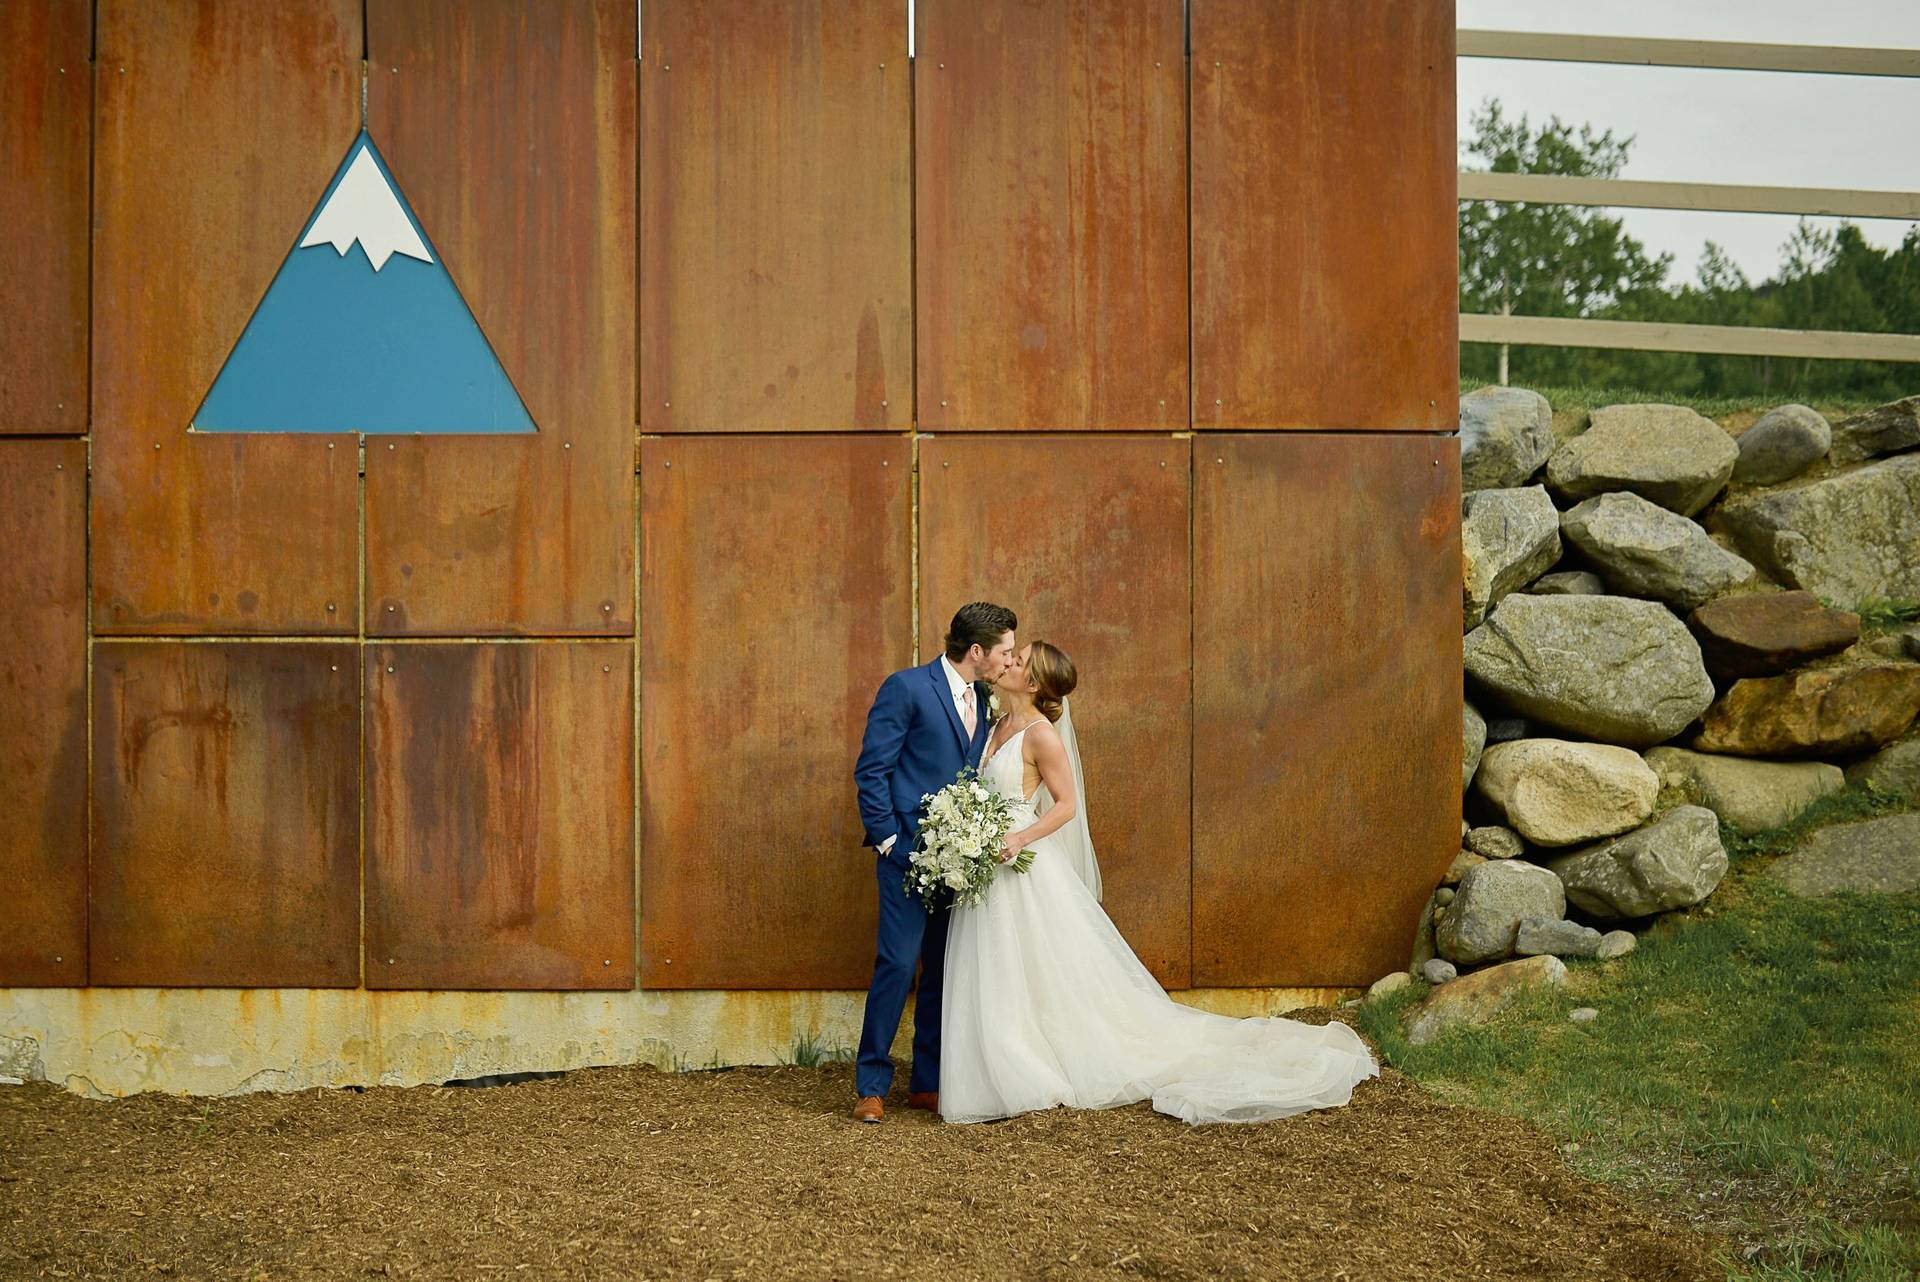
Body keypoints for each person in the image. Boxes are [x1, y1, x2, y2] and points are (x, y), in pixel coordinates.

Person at [938, 640, 1381, 1125]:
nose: (1008, 662)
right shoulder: (996, 724)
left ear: (1034, 683)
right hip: (988, 863)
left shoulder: (1041, 735)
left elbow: (1066, 805)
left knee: (1030, 963)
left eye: (1019, 661)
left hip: (1020, 861)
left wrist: (1019, 838)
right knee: (1002, 965)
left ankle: (1032, 1068)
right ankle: (1002, 1067)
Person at [849, 602, 1018, 1123]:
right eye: (1005, 651)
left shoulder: (986, 698)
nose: (1009, 661)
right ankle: (871, 1085)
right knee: (898, 964)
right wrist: (889, 841)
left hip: (959, 861)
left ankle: (927, 1082)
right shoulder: (906, 688)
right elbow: (872, 770)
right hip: (906, 855)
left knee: (944, 969)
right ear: (976, 651)